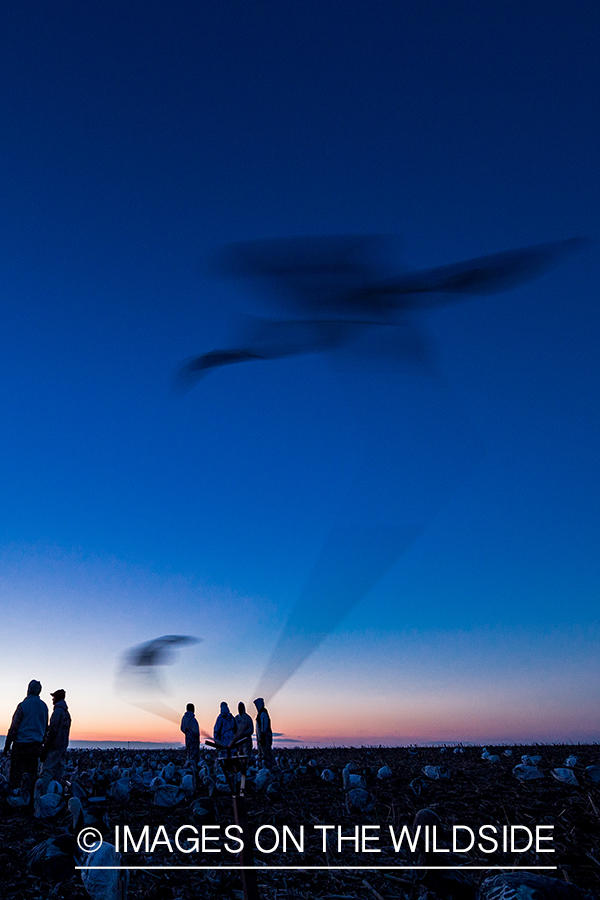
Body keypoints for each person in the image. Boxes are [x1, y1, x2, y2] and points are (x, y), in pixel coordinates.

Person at [4, 680, 48, 804]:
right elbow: (45, 727)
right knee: (31, 773)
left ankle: (14, 799)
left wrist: (8, 744)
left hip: (21, 744)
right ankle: (30, 801)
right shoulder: (44, 707)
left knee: (17, 773)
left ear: (29, 689)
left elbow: (14, 726)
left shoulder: (23, 705)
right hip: (36, 745)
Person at [40, 689, 71, 790]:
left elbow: (53, 731)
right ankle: (58, 793)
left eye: (54, 697)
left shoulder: (57, 712)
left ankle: (45, 794)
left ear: (57, 698)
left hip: (54, 746)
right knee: (59, 772)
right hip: (63, 746)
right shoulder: (67, 714)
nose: (52, 699)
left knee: (47, 771)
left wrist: (46, 747)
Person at [253, 697, 273, 768]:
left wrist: (262, 737)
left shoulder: (263, 714)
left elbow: (264, 726)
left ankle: (269, 767)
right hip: (262, 737)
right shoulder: (261, 714)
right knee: (262, 753)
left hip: (264, 738)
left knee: (266, 753)